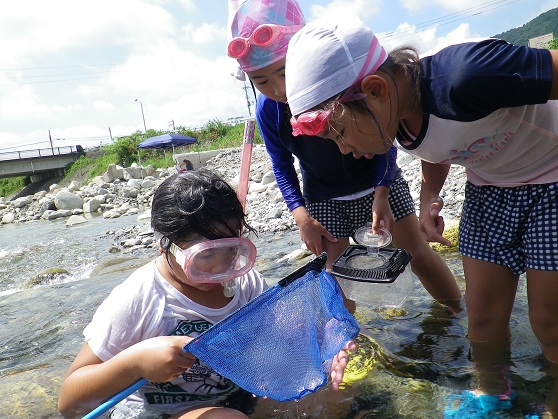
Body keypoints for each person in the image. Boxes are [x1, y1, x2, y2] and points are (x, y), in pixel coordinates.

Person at [284, 16, 558, 415]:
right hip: (489, 190)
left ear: (375, 90)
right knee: (481, 320)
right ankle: (491, 394)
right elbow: (438, 147)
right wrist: (431, 194)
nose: (343, 150)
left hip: (553, 182)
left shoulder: (467, 75)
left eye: (339, 133)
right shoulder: (394, 119)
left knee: (549, 322)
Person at [58, 169, 356, 418]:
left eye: (232, 253)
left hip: (236, 398)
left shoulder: (245, 284)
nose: (222, 270)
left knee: (334, 395)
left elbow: (282, 343)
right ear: (166, 245)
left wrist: (322, 346)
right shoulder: (139, 299)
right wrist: (135, 361)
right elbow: (70, 401)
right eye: (205, 257)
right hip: (162, 414)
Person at [227, 0, 462, 312]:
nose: (279, 89)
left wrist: (382, 193)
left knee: (415, 253)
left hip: (379, 182)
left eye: (283, 73)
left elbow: (384, 137)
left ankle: (457, 313)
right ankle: (348, 344)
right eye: (262, 81)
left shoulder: (332, 85)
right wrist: (302, 218)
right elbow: (282, 166)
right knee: (336, 275)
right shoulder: (268, 111)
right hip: (323, 197)